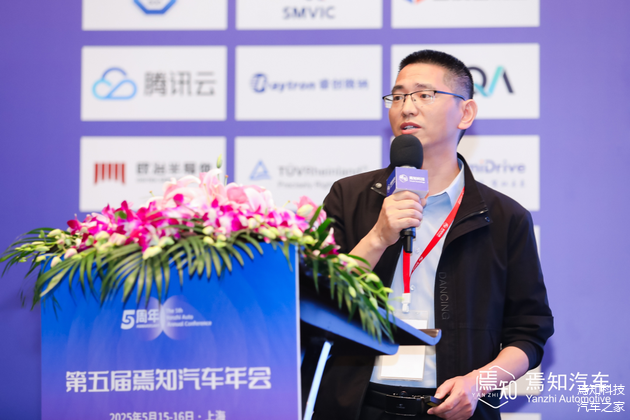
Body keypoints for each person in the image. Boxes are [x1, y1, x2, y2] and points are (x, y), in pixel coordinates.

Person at [314, 50, 554, 420]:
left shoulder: (505, 217)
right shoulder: (349, 197)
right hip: (357, 407)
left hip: (452, 410)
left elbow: (529, 333)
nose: (406, 107)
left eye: (424, 95)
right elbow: (316, 303)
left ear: (465, 113)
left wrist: (478, 383)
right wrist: (377, 237)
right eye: (398, 96)